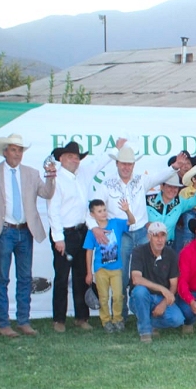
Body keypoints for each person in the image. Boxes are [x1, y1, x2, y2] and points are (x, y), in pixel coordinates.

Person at [89, 146, 186, 320]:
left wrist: (174, 167)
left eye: (129, 164)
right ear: (117, 163)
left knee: (144, 273)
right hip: (119, 235)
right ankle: (121, 316)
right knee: (121, 276)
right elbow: (92, 207)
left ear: (133, 165)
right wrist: (94, 227)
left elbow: (160, 176)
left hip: (141, 232)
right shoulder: (106, 185)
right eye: (123, 163)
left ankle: (144, 310)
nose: (126, 167)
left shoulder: (142, 180)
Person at [48, 140, 125, 333]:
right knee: (61, 278)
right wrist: (58, 238)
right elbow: (53, 210)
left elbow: (99, 162)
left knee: (82, 276)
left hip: (82, 230)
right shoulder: (56, 179)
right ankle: (59, 319)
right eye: (70, 157)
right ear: (61, 158)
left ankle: (81, 317)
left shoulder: (82, 173)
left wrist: (116, 148)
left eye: (77, 157)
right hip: (64, 234)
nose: (74, 160)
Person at [0, 133, 56, 337]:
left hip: (25, 230)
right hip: (3, 230)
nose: (17, 153)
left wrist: (51, 177)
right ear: (5, 152)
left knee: (25, 278)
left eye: (19, 150)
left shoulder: (31, 173)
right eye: (13, 149)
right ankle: (3, 323)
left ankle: (23, 321)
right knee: (1, 278)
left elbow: (47, 193)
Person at [83, 199, 135, 333]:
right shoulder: (92, 232)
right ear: (92, 214)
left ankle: (117, 319)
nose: (103, 213)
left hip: (116, 268)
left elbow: (132, 221)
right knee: (104, 297)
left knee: (118, 295)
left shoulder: (115, 223)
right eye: (99, 211)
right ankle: (106, 321)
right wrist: (89, 272)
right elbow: (89, 252)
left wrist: (127, 210)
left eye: (104, 210)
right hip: (101, 269)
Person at [128, 222, 185, 343]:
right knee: (139, 291)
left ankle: (147, 320)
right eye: (155, 236)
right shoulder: (139, 251)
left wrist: (164, 304)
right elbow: (136, 279)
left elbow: (174, 284)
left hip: (161, 298)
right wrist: (162, 289)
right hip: (142, 297)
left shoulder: (171, 254)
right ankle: (145, 332)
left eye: (162, 235)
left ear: (166, 236)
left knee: (178, 320)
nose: (159, 240)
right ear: (149, 237)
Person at [147, 174, 196, 248]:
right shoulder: (148, 200)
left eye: (175, 187)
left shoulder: (179, 202)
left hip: (167, 246)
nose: (172, 190)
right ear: (162, 187)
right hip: (148, 245)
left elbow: (194, 200)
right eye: (169, 186)